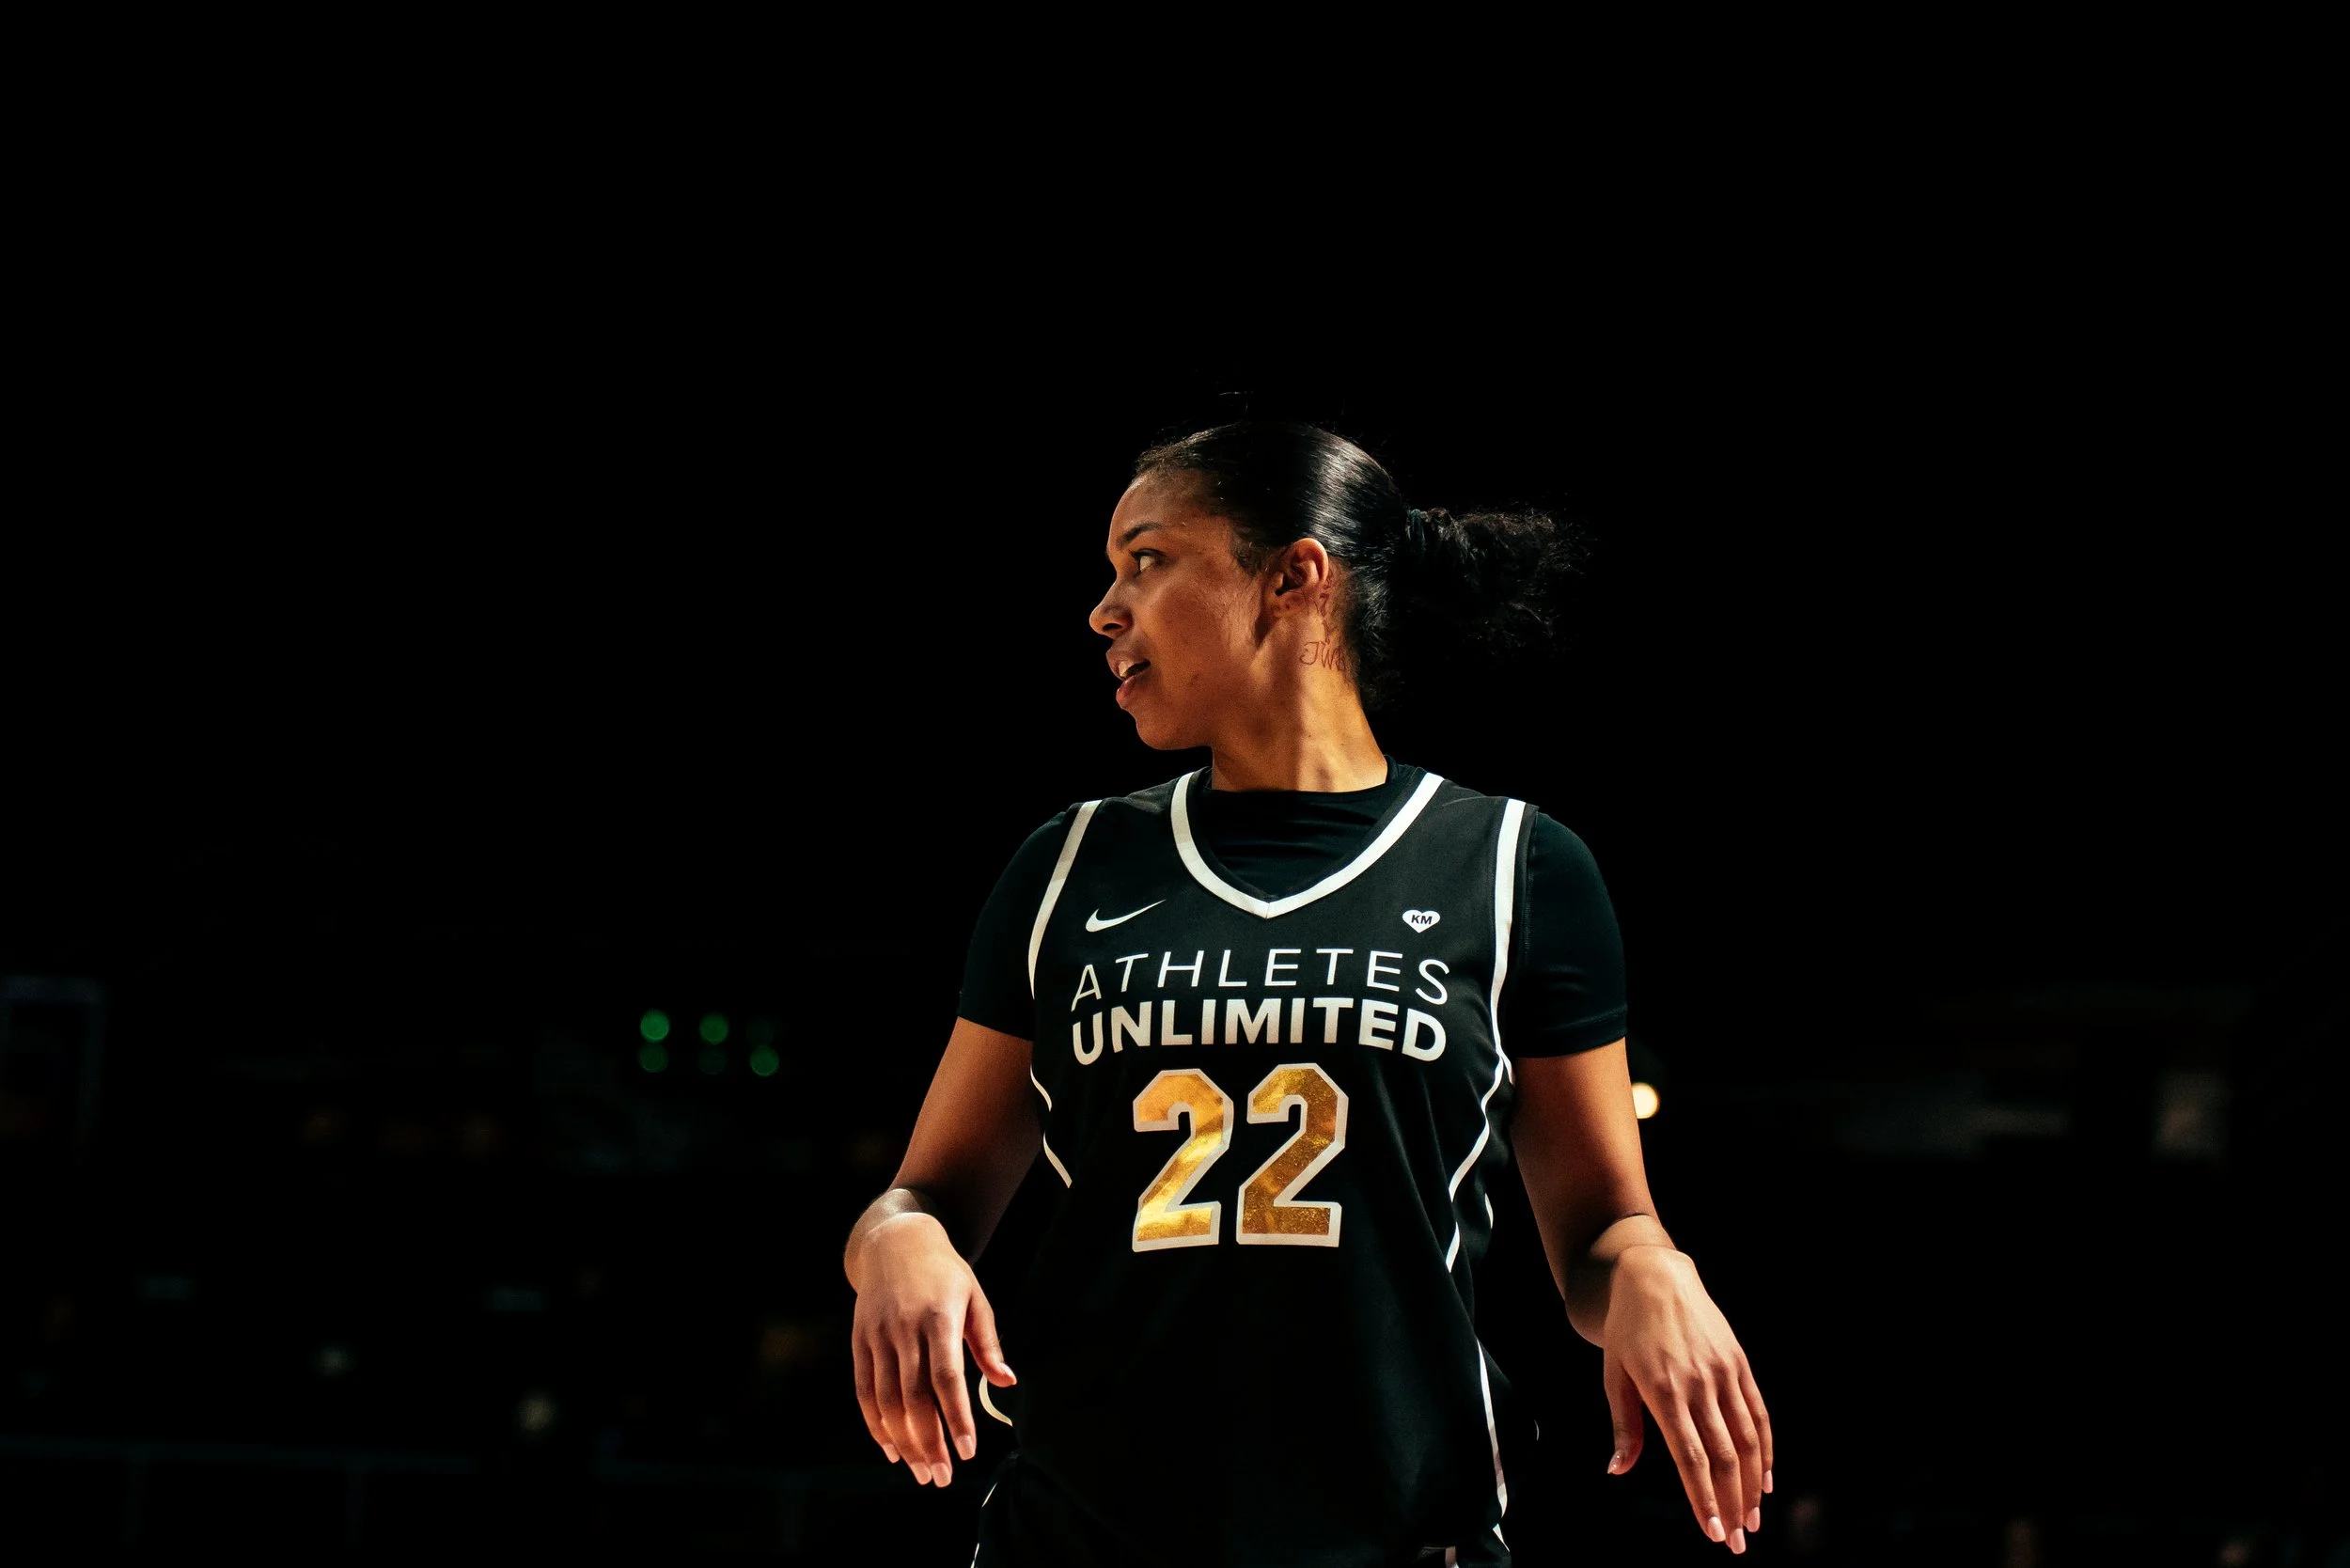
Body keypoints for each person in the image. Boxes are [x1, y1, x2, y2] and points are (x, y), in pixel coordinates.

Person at [843, 422, 1773, 1566]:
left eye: (1146, 559)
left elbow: (1599, 1233)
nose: (1103, 609)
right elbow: (919, 1199)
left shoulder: (1513, 866)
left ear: (1292, 575)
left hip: (1398, 1538)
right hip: (1078, 1538)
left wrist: (1653, 1272)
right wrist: (895, 1244)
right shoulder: (1066, 865)